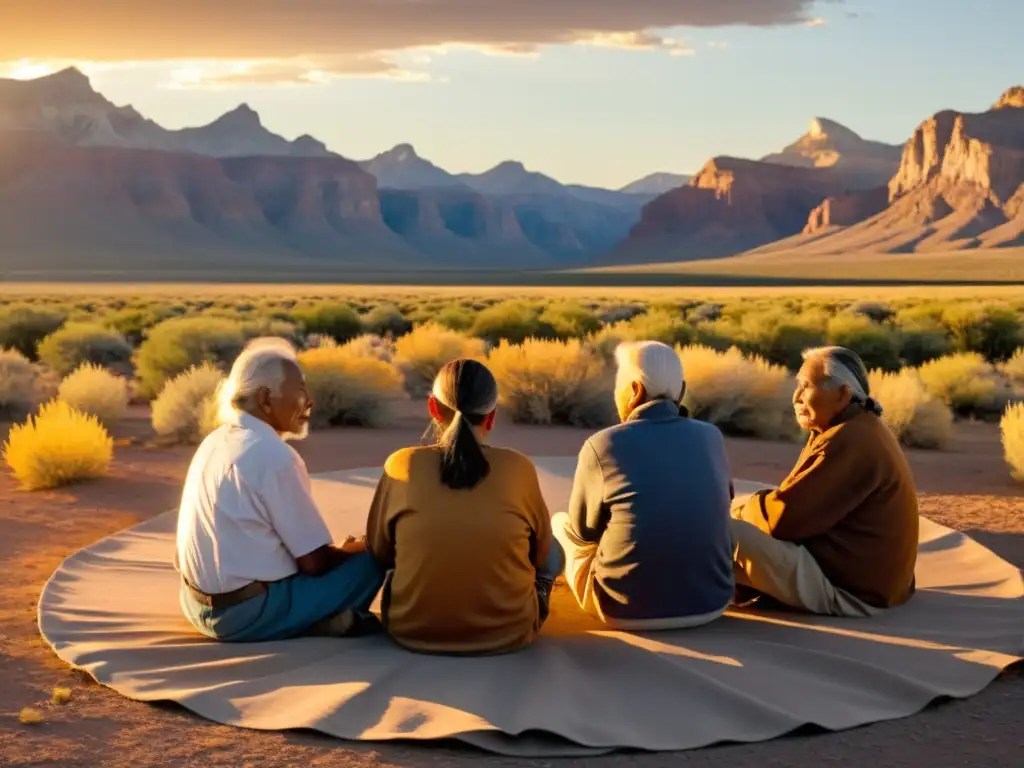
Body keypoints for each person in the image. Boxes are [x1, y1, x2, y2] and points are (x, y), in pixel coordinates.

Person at [175, 337, 384, 642]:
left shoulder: (215, 441)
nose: (309, 402)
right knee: (374, 558)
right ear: (265, 400)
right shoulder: (274, 456)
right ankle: (314, 620)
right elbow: (315, 564)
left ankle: (317, 619)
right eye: (300, 392)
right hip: (244, 616)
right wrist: (358, 548)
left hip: (194, 606)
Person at [365, 358, 563, 655]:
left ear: (433, 408)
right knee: (555, 547)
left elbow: (379, 552)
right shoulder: (518, 467)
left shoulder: (401, 464)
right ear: (491, 417)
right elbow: (541, 554)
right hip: (510, 632)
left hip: (410, 629)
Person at [551, 341, 734, 629]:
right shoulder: (712, 437)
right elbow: (727, 500)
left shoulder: (603, 444)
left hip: (623, 608)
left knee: (560, 524)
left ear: (635, 390)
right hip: (713, 603)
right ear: (682, 391)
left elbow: (584, 530)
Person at [731, 346, 919, 616]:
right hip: (870, 582)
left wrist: (748, 509)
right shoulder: (857, 427)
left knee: (725, 532)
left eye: (806, 387)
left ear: (843, 394)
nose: (796, 397)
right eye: (797, 385)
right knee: (737, 517)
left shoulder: (851, 439)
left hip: (851, 590)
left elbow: (785, 520)